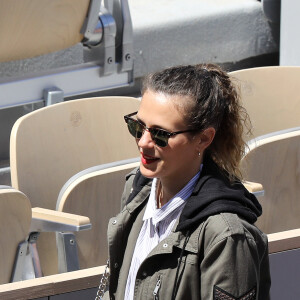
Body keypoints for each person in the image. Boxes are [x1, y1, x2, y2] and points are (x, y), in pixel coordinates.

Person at [103, 64, 271, 300]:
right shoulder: (137, 188)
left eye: (160, 134)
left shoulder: (227, 237)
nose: (143, 142)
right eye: (138, 127)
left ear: (203, 139)